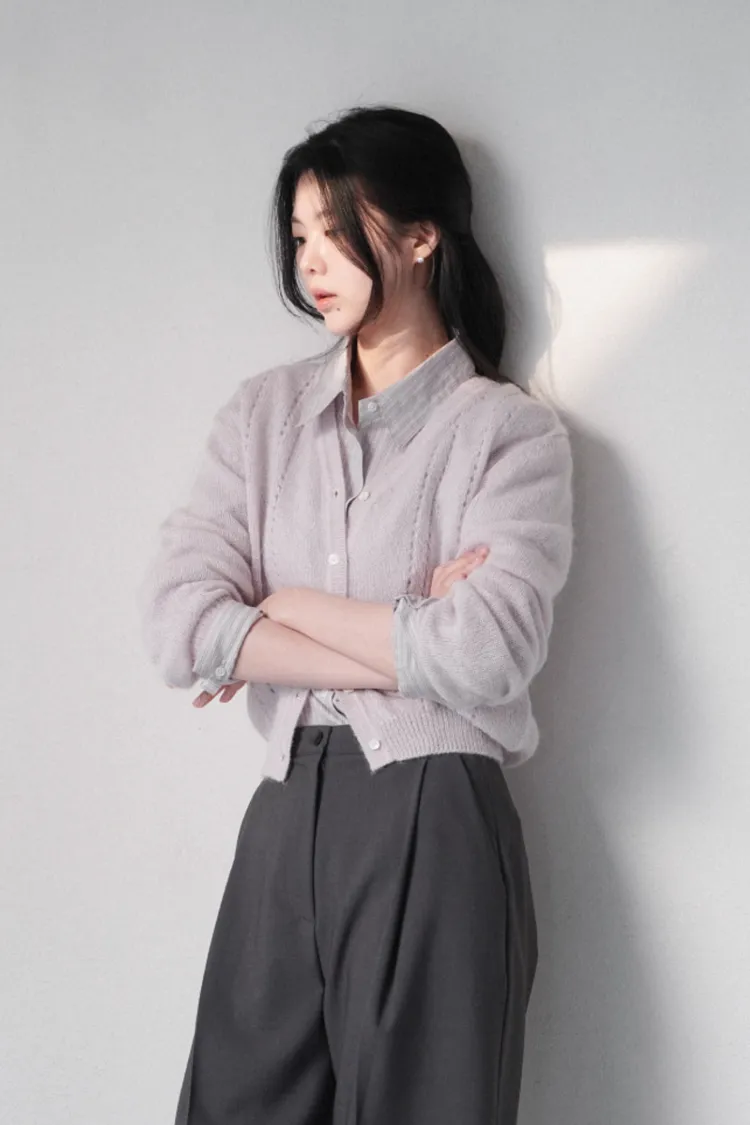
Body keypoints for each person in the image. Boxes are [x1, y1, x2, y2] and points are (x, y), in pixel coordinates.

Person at [137, 104, 574, 1125]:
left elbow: (491, 652)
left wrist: (282, 612)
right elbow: (177, 622)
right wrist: (405, 637)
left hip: (436, 808)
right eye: (300, 237)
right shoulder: (261, 417)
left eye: (338, 230)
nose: (312, 262)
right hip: (284, 811)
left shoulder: (507, 435)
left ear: (422, 238)